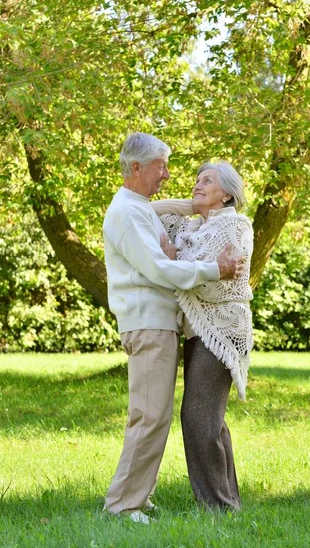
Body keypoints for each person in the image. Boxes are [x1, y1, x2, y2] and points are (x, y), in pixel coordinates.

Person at [103, 134, 244, 524]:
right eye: (161, 166)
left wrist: (212, 206)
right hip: (147, 323)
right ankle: (123, 504)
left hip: (159, 323)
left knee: (156, 415)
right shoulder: (128, 212)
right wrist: (215, 268)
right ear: (136, 168)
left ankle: (138, 494)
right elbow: (160, 269)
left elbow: (170, 217)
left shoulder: (139, 207)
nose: (167, 174)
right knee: (149, 415)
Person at [152, 161, 253, 511]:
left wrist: (174, 262)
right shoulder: (194, 226)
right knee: (210, 420)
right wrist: (192, 203)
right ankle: (227, 502)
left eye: (207, 181)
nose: (197, 184)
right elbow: (150, 212)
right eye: (196, 179)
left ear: (227, 193)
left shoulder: (233, 226)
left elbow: (211, 284)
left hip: (221, 332)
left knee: (199, 419)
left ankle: (218, 506)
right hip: (198, 332)